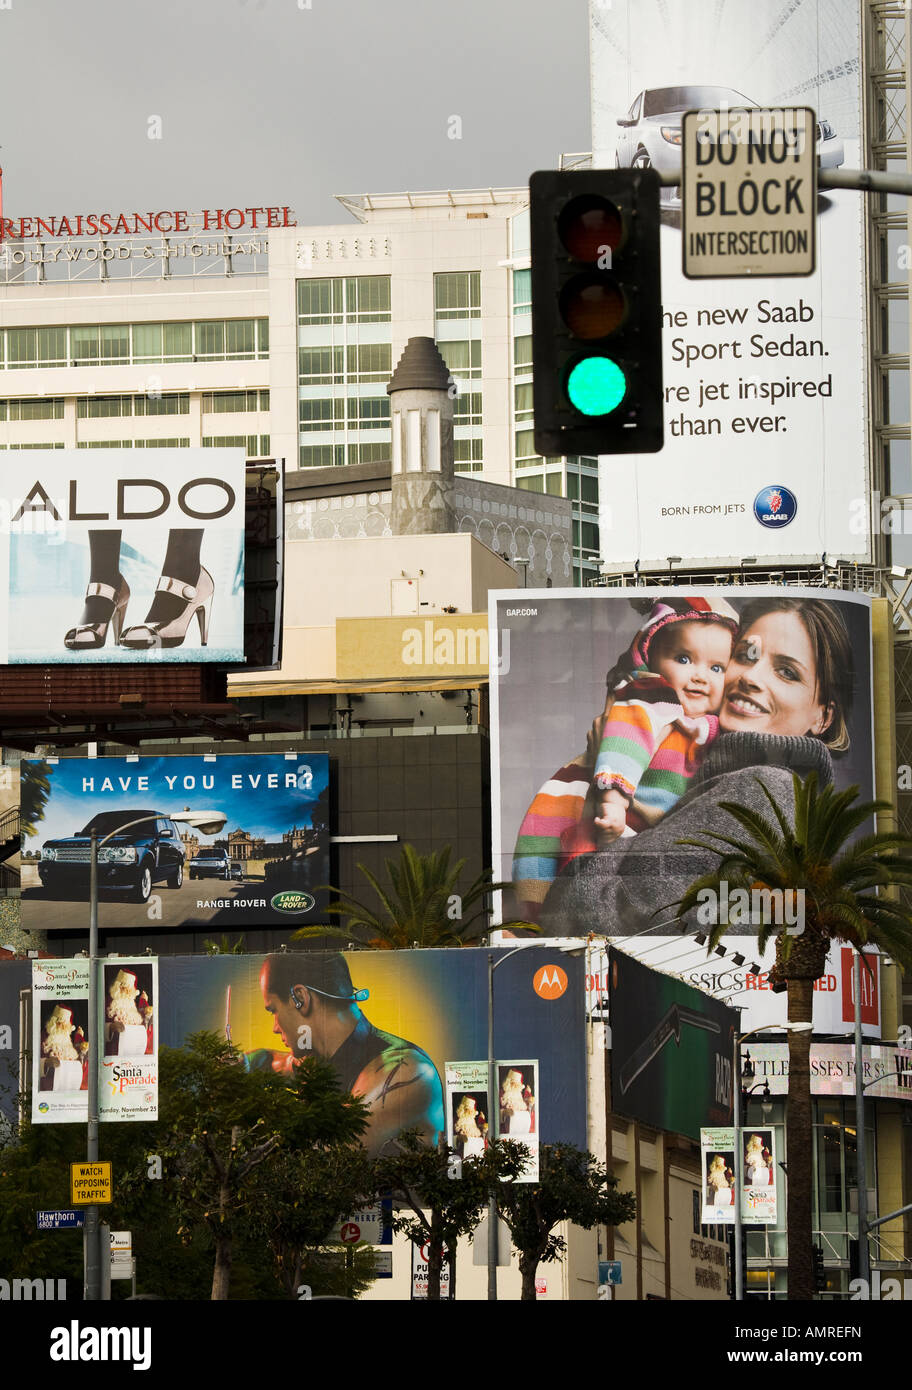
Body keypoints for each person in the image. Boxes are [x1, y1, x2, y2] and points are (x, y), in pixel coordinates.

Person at [539, 595, 856, 937]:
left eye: (786, 672)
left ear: (824, 717)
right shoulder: (702, 772)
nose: (751, 676)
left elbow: (590, 912)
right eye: (745, 655)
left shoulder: (762, 788)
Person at [512, 596, 738, 922]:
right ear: (651, 662)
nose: (701, 676)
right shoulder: (650, 702)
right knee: (561, 852)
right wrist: (614, 803)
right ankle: (536, 915)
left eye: (716, 668)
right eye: (684, 659)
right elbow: (625, 744)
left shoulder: (714, 728)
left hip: (659, 842)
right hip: (619, 820)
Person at [252, 951, 445, 1157]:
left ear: (300, 998)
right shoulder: (324, 1059)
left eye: (273, 1010)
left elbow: (321, 1162)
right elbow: (268, 1060)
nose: (274, 1027)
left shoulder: (404, 1074)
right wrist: (240, 1065)